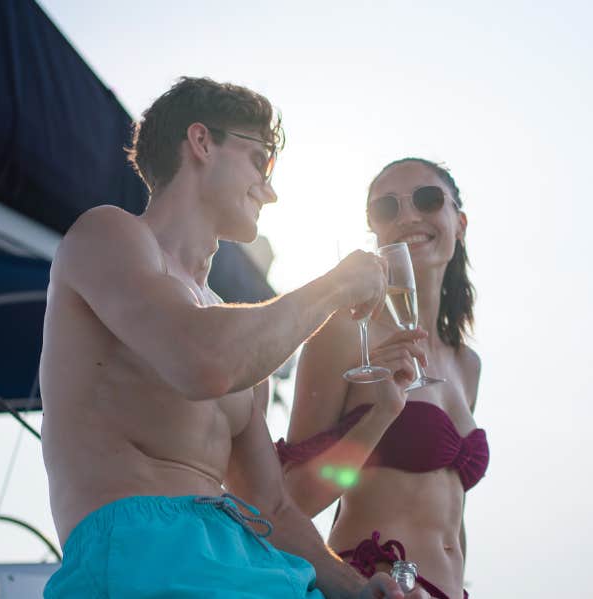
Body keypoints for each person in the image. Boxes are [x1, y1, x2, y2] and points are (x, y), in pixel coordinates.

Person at [39, 76, 424, 599]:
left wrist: (355, 589)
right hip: (141, 557)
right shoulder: (108, 235)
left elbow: (271, 507)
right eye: (261, 160)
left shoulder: (233, 329)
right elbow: (202, 361)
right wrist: (336, 287)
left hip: (241, 561)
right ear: (202, 142)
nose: (271, 188)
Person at [278, 158, 486, 599]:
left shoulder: (468, 364)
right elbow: (289, 502)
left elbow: (452, 514)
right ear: (375, 231)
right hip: (375, 585)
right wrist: (383, 412)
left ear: (460, 222)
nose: (409, 216)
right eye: (387, 209)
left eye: (428, 200)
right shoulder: (345, 336)